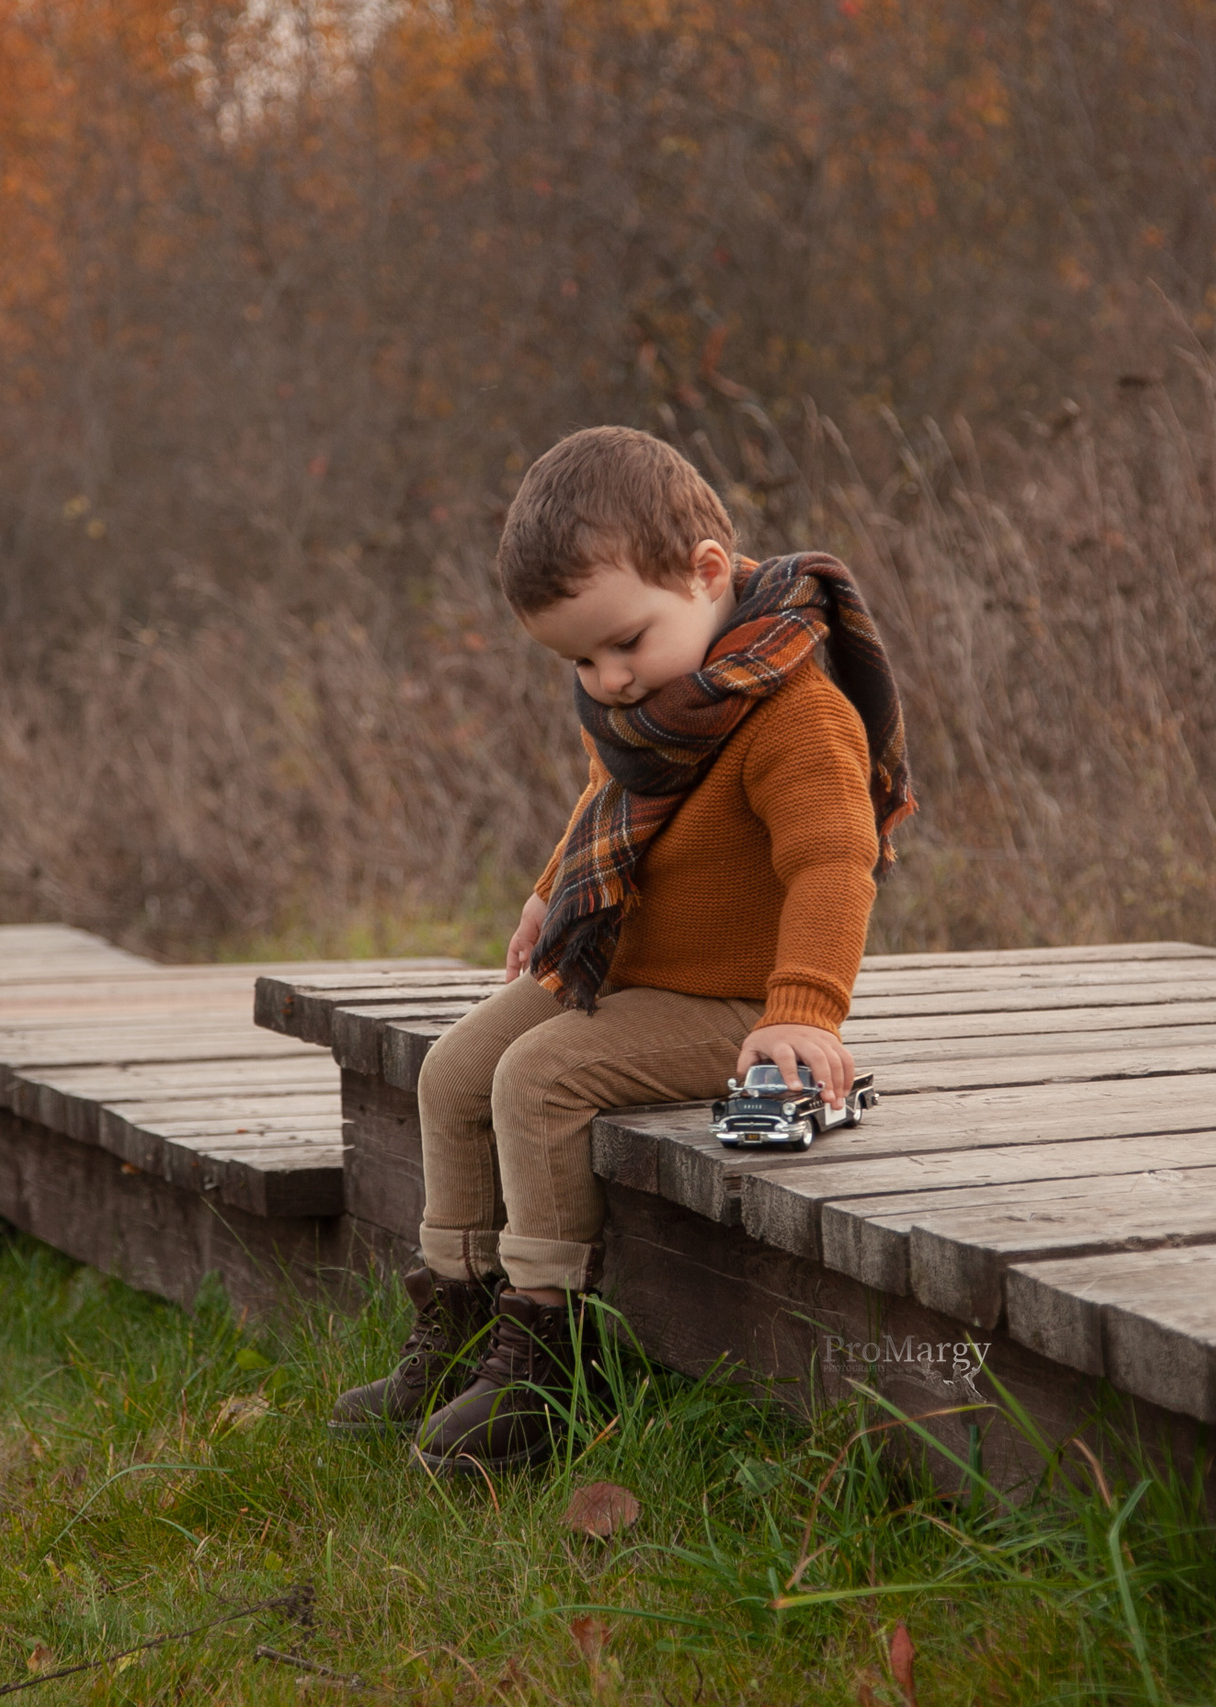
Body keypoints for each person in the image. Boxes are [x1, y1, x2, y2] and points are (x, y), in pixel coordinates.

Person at [328, 425, 916, 1474]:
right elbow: (616, 798)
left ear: (703, 573)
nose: (606, 679)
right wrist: (554, 889)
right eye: (579, 660)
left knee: (537, 1079)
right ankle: (456, 1321)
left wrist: (802, 1010)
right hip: (627, 968)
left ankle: (545, 1353)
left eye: (623, 644)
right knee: (456, 1068)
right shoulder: (668, 702)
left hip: (731, 1007)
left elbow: (836, 862)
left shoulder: (798, 716)